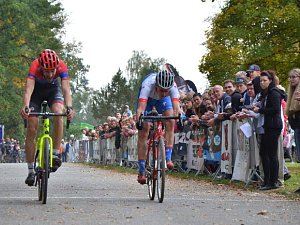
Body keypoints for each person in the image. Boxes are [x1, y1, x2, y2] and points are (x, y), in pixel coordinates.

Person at [20, 49, 75, 186]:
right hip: (36, 93)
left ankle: (56, 153)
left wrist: (69, 108)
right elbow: (28, 90)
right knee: (32, 125)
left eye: (52, 71)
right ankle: (31, 170)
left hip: (52, 91)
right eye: (46, 71)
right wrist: (26, 106)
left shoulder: (61, 66)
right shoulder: (34, 66)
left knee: (58, 112)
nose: (50, 74)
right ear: (41, 67)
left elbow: (66, 89)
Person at [135, 63, 180, 184]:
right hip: (148, 100)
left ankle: (168, 158)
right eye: (161, 90)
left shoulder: (173, 87)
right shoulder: (148, 84)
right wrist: (139, 119)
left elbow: (176, 108)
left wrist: (178, 117)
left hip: (163, 102)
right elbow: (141, 108)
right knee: (144, 129)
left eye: (166, 90)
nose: (164, 93)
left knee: (170, 120)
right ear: (157, 85)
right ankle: (141, 169)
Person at [253, 70, 285, 190]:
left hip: (273, 126)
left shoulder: (274, 93)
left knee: (271, 154)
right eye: (261, 81)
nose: (262, 83)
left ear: (270, 81)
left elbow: (275, 109)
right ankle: (267, 180)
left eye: (264, 80)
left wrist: (260, 110)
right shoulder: (265, 93)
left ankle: (273, 181)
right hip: (267, 126)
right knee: (264, 153)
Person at [285, 68, 300, 163]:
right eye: (290, 77)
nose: (291, 79)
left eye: (294, 77)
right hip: (296, 123)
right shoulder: (291, 92)